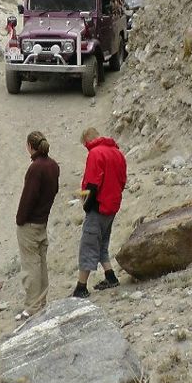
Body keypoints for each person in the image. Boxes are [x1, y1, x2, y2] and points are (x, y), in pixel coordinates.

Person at [73, 127, 128, 298]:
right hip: (112, 206)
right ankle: (110, 276)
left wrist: (86, 205)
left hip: (98, 206)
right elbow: (122, 180)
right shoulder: (117, 153)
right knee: (103, 243)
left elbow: (92, 184)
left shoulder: (95, 153)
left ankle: (81, 287)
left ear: (87, 140)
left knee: (88, 245)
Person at [14, 130, 60, 321]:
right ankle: (41, 301)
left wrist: (20, 219)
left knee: (31, 266)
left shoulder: (35, 168)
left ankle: (32, 307)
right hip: (42, 220)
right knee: (41, 264)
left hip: (30, 223)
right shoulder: (53, 165)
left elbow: (28, 197)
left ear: (30, 146)